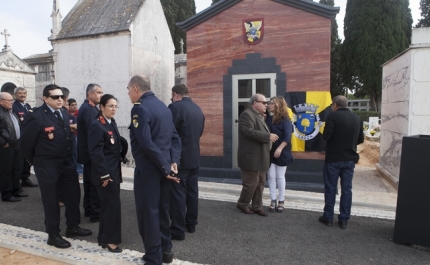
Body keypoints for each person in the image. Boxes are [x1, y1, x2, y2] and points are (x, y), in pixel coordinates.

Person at [20, 84, 92, 248]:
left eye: (62, 97)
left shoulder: (64, 113)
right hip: (47, 165)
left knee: (73, 195)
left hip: (65, 162)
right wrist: (37, 161)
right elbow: (25, 144)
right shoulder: (37, 116)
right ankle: (53, 234)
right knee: (51, 200)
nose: (60, 99)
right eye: (55, 97)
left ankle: (73, 226)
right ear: (45, 98)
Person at [128, 74, 181, 265]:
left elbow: (146, 144)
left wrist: (166, 166)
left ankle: (153, 257)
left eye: (128, 90)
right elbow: (175, 138)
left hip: (150, 170)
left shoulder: (139, 109)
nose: (128, 94)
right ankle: (166, 251)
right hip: (163, 168)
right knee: (162, 210)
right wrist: (172, 162)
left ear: (135, 88)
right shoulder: (163, 107)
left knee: (148, 213)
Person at [319, 95, 364, 229]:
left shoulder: (332, 116)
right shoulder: (357, 118)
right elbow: (360, 139)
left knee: (331, 188)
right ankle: (344, 219)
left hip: (333, 159)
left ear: (335, 105)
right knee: (347, 190)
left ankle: (328, 217)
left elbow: (326, 136)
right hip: (350, 159)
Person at [168, 84, 205, 240]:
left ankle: (177, 229)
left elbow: (169, 132)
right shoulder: (198, 109)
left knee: (177, 194)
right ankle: (191, 224)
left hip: (179, 159)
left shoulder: (175, 108)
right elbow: (200, 132)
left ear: (176, 94)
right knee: (192, 192)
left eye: (172, 96)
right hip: (195, 156)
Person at [88, 94, 123, 253]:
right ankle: (111, 241)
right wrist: (104, 175)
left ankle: (104, 238)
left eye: (115, 106)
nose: (114, 109)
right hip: (106, 175)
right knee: (112, 207)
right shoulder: (97, 125)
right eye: (110, 106)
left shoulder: (111, 122)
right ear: (101, 107)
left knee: (109, 207)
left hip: (113, 172)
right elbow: (96, 153)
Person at [236, 93, 278, 217]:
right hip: (251, 157)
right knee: (251, 183)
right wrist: (268, 136)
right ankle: (242, 204)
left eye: (267, 103)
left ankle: (257, 206)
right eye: (264, 102)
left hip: (261, 156)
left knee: (260, 183)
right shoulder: (246, 114)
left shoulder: (258, 115)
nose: (266, 105)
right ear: (255, 103)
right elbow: (248, 132)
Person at [77, 84, 103, 222]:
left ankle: (89, 209)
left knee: (89, 183)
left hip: (87, 154)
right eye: (98, 92)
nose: (101, 95)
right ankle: (94, 212)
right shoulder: (88, 110)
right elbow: (94, 133)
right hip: (91, 154)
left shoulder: (90, 108)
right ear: (90, 94)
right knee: (94, 184)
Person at [266, 96, 294, 213]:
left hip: (282, 152)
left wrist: (279, 149)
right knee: (271, 176)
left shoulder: (285, 121)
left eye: (272, 103)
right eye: (269, 103)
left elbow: (287, 137)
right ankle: (273, 199)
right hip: (270, 151)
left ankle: (281, 200)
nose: (269, 105)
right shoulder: (268, 119)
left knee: (280, 177)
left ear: (278, 105)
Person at [0, 92, 28, 202]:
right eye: (9, 100)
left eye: (12, 100)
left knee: (17, 169)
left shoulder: (10, 112)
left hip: (16, 144)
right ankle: (7, 194)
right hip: (6, 146)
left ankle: (16, 190)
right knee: (6, 171)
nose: (12, 102)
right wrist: (2, 143)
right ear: (1, 101)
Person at [12, 87, 38, 188]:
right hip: (20, 136)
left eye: (24, 93)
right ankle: (18, 179)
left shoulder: (27, 106)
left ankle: (25, 178)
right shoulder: (14, 106)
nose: (22, 95)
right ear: (15, 95)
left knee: (27, 158)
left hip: (28, 136)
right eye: (20, 93)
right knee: (20, 160)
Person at [68, 99, 83, 175]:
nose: (74, 106)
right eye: (72, 105)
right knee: (73, 154)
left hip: (78, 136)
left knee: (78, 153)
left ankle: (80, 171)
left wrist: (69, 126)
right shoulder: (67, 114)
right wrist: (71, 127)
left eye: (75, 105)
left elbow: (76, 127)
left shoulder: (79, 113)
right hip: (70, 137)